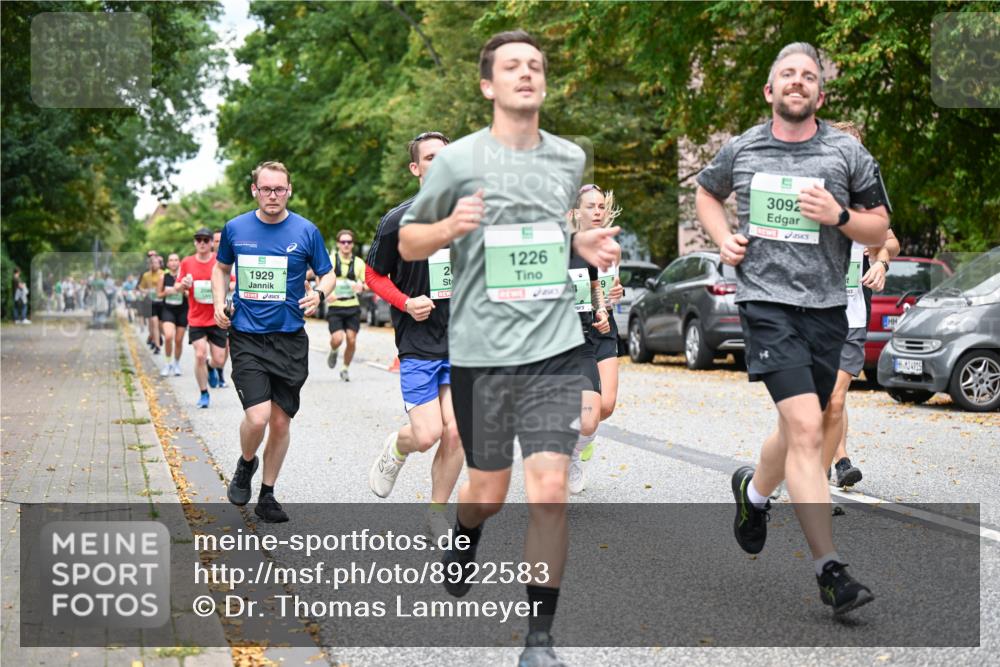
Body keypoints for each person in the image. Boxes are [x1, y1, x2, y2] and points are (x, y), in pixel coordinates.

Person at [398, 30, 620, 666]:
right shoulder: (458, 162)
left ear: (543, 83)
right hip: (483, 351)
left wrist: (583, 247)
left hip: (551, 345)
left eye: (536, 65)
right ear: (487, 84)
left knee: (548, 489)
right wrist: (450, 226)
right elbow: (411, 243)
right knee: (488, 494)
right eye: (511, 66)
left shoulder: (567, 160)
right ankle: (465, 534)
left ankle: (539, 639)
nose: (526, 74)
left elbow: (550, 239)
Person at [695, 42, 891, 615]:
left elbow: (879, 224)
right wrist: (720, 236)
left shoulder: (846, 153)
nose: (797, 82)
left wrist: (841, 217)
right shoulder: (744, 147)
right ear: (770, 90)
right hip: (766, 303)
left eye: (808, 76)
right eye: (787, 74)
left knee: (796, 424)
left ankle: (753, 493)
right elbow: (707, 192)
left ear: (820, 94)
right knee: (808, 426)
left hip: (828, 307)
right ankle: (830, 570)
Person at [214, 161, 335, 523]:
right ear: (255, 190)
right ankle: (245, 463)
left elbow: (328, 275)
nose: (272, 195)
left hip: (290, 340)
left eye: (279, 189)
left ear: (289, 190)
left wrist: (319, 295)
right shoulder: (235, 228)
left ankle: (267, 494)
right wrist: (220, 301)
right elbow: (220, 269)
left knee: (281, 424)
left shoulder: (306, 230)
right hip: (248, 336)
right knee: (258, 417)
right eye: (266, 189)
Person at [364, 130, 466, 540]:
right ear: (415, 168)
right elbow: (373, 274)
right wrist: (406, 303)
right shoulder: (396, 221)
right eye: (429, 158)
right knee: (427, 435)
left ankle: (436, 513)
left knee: (458, 430)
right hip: (419, 342)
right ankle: (398, 447)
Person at [567, 184, 626, 491]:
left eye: (601, 206)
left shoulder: (609, 246)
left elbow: (608, 288)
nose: (598, 211)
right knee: (588, 411)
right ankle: (572, 453)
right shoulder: (566, 248)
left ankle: (576, 449)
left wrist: (615, 295)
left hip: (603, 327)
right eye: (591, 206)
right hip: (575, 332)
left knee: (607, 405)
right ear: (575, 212)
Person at [179, 228, 229, 408]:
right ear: (194, 242)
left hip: (216, 317)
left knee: (219, 360)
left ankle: (210, 366)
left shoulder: (220, 261)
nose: (202, 243)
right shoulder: (186, 262)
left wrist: (225, 287)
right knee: (199, 354)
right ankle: (204, 393)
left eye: (206, 240)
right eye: (198, 239)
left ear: (211, 243)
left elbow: (232, 281)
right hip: (196, 318)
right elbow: (179, 286)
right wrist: (183, 285)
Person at [326, 229, 367, 381]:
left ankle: (345, 368)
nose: (346, 245)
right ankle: (334, 349)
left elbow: (367, 283)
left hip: (352, 306)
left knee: (351, 339)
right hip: (335, 306)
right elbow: (321, 277)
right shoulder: (330, 260)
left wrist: (361, 286)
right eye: (343, 242)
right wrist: (326, 294)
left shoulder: (359, 263)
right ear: (338, 244)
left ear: (353, 244)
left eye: (349, 242)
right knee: (337, 339)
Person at [158, 253, 188, 377]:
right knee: (169, 336)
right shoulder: (163, 277)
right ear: (168, 263)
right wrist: (166, 292)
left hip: (182, 310)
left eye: (176, 260)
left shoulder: (185, 277)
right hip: (168, 310)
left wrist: (184, 291)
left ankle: (176, 363)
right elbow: (158, 294)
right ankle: (167, 363)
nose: (174, 262)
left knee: (179, 340)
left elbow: (190, 293)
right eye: (171, 260)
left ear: (179, 262)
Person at [139, 254, 164, 354]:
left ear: (159, 264)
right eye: (152, 263)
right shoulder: (146, 275)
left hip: (162, 302)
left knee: (160, 325)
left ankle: (157, 337)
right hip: (150, 301)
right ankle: (157, 345)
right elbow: (141, 287)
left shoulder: (163, 273)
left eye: (156, 263)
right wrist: (145, 291)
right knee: (153, 323)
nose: (154, 265)